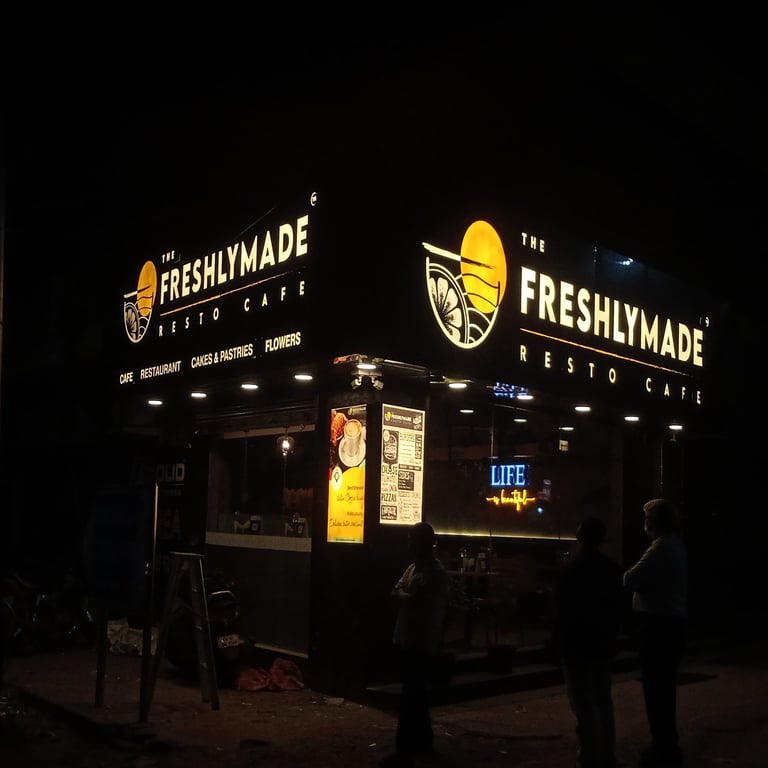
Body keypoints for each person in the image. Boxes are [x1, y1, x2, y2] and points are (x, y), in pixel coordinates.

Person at [553, 515, 626, 768]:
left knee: (582, 702)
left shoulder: (570, 571)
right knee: (603, 699)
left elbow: (561, 611)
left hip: (577, 645)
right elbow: (619, 608)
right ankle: (606, 753)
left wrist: (557, 641)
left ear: (579, 537)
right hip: (602, 643)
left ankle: (589, 754)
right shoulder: (612, 569)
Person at [623, 498, 688, 768]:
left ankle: (662, 748)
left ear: (657, 521)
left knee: (656, 690)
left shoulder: (660, 548)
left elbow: (631, 578)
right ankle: (666, 744)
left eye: (648, 518)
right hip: (670, 625)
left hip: (658, 627)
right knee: (664, 690)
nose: (645, 523)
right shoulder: (674, 545)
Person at [383, 521, 450, 767]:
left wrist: (405, 596)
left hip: (420, 641)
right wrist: (406, 596)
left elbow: (413, 600)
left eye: (413, 540)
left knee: (411, 696)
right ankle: (423, 743)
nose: (409, 545)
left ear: (424, 543)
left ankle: (405, 751)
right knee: (416, 695)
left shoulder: (434, 574)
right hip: (408, 638)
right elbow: (397, 593)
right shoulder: (415, 568)